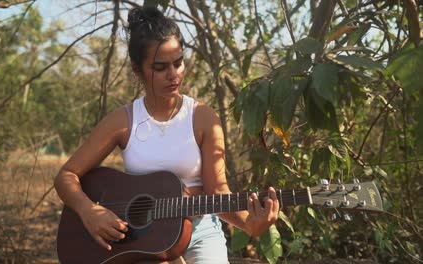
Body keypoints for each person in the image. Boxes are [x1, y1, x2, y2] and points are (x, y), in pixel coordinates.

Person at [54, 6, 279, 264]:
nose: (173, 74)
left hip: (200, 232)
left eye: (178, 63)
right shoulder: (123, 121)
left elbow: (217, 191)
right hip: (142, 240)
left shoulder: (203, 118)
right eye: (160, 67)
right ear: (137, 70)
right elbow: (65, 176)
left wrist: (250, 224)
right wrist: (89, 211)